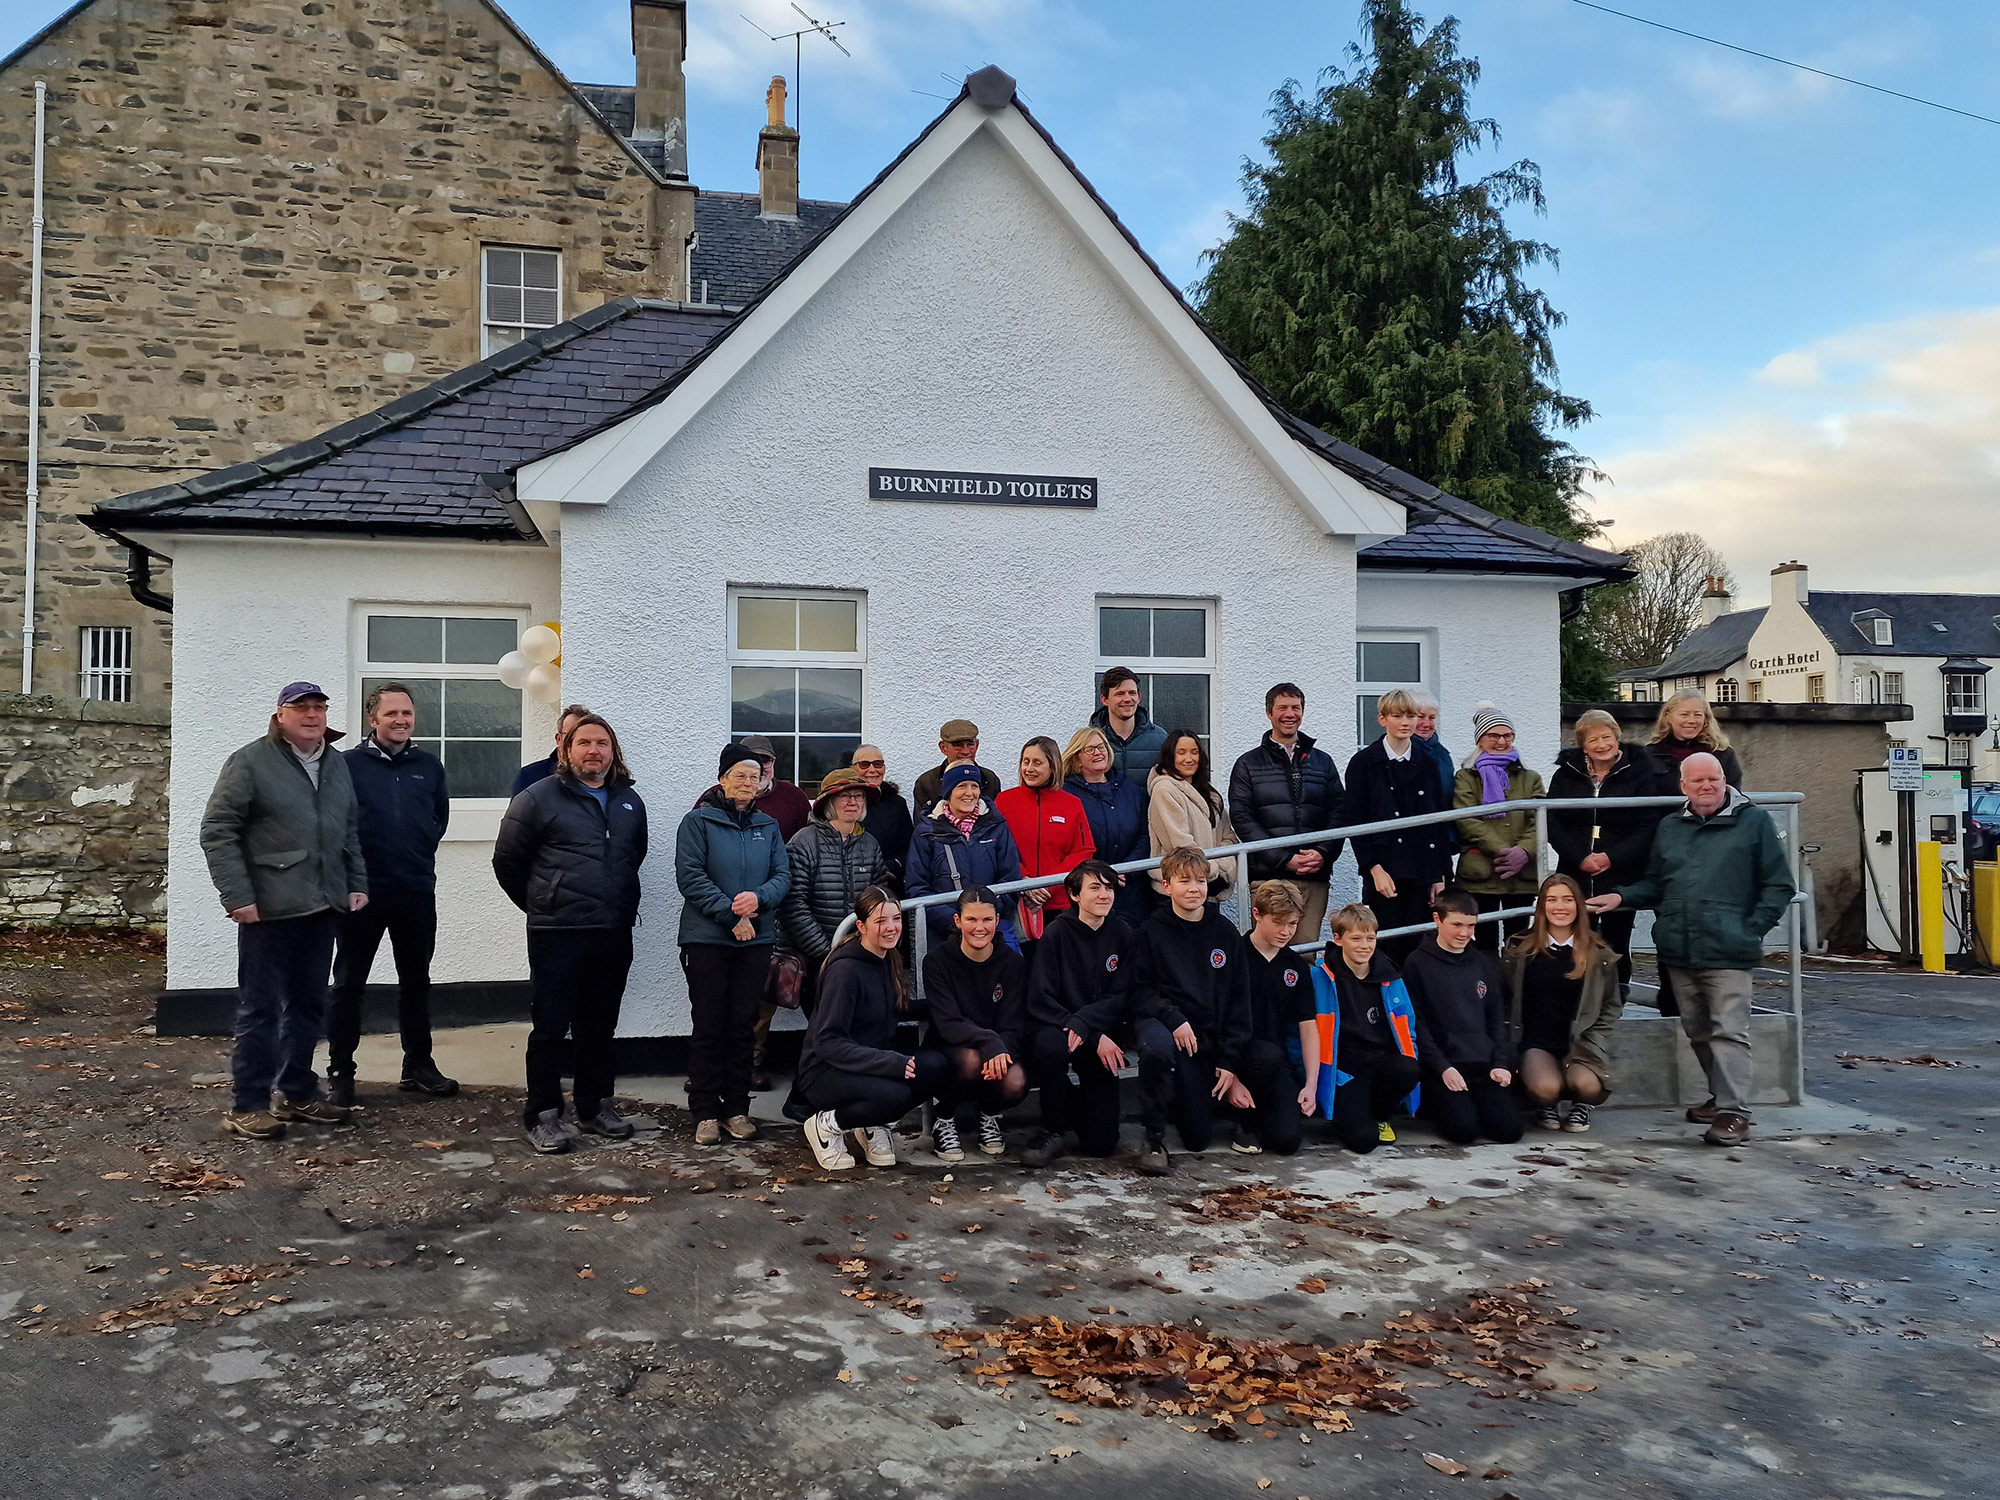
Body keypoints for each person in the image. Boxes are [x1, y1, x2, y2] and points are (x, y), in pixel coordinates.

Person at [1588, 752, 1794, 1148]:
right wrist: (1620, 896)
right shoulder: (1670, 827)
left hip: (1729, 950)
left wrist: (1749, 930)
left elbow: (1778, 885)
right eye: (1697, 780)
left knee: (1729, 1031)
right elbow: (1656, 883)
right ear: (1683, 786)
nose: (1707, 786)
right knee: (1698, 1030)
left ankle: (1735, 1113)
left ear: (1725, 780)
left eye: (1714, 778)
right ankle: (1720, 1098)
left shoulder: (1754, 823)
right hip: (1680, 947)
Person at [199, 681, 368, 1140]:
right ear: (280, 716)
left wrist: (356, 884)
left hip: (323, 905)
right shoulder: (251, 761)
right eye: (300, 708)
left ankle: (297, 1093)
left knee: (310, 1005)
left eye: (318, 707)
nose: (312, 715)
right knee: (261, 1009)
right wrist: (237, 896)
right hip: (269, 907)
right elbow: (218, 829)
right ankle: (248, 1103)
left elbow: (348, 828)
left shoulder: (334, 763)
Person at [494, 714, 648, 1154]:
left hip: (612, 930)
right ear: (567, 749)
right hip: (557, 932)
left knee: (599, 1025)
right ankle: (543, 1114)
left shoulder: (629, 801)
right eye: (584, 742)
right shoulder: (537, 798)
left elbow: (632, 856)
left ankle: (595, 1105)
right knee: (549, 1027)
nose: (593, 750)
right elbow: (507, 862)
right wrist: (544, 902)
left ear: (613, 751)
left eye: (602, 742)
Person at [326, 681, 457, 1108]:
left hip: (416, 889)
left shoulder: (429, 765)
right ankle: (341, 1072)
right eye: (391, 714)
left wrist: (415, 851)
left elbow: (438, 820)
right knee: (348, 983)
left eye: (407, 713)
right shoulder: (346, 765)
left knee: (416, 981)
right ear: (372, 719)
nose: (401, 720)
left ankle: (418, 1065)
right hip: (362, 892)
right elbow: (337, 826)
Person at [673, 743, 791, 1146]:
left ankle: (738, 1109)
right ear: (722, 779)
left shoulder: (768, 825)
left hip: (755, 940)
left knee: (743, 1026)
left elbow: (782, 875)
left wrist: (758, 901)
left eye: (753, 776)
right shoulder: (698, 822)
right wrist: (732, 914)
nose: (747, 782)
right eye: (739, 774)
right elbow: (690, 877)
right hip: (707, 939)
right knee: (709, 1024)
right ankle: (705, 1112)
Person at [1126, 846, 1265, 1176]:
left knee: (1197, 1139)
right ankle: (1154, 1137)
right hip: (1168, 1027)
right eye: (1184, 881)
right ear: (1166, 885)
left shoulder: (1225, 933)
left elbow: (1238, 1001)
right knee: (1155, 1050)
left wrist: (1230, 1063)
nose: (1194, 889)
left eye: (1201, 881)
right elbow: (1140, 991)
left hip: (1208, 1038)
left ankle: (1214, 1104)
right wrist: (1174, 1019)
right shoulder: (1150, 932)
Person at [795, 887, 949, 1171]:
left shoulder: (886, 958)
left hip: (867, 1061)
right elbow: (828, 1042)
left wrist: (946, 1007)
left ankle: (871, 1125)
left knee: (937, 1066)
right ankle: (825, 1126)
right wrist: (891, 1062)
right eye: (880, 922)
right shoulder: (844, 972)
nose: (891, 928)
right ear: (862, 926)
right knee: (895, 1095)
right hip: (825, 1072)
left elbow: (889, 1008)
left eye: (896, 918)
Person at [764, 766, 888, 1085]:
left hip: (857, 956)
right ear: (826, 803)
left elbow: (878, 898)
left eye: (858, 795)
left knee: (850, 1029)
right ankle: (806, 1096)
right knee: (824, 1029)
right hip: (815, 959)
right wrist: (825, 952)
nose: (852, 802)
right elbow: (793, 904)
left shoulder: (870, 844)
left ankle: (842, 1093)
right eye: (844, 795)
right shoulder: (804, 842)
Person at [1019, 859, 1130, 1168]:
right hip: (1060, 1026)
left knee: (1103, 1144)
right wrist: (1083, 1028)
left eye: (1108, 888)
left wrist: (1091, 1028)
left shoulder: (1122, 934)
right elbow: (1040, 998)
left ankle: (1079, 1111)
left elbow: (1123, 996)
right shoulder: (1056, 934)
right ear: (1075, 894)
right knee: (1049, 1048)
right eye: (1095, 888)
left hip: (1101, 1031)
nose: (1104, 895)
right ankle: (1051, 1129)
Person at [1546, 709, 1664, 1001]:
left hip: (1621, 871)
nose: (1602, 744)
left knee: (1616, 939)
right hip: (1575, 871)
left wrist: (1611, 857)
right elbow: (1553, 822)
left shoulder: (1640, 771)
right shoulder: (1566, 774)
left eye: (1607, 737)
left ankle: (1615, 996)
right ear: (1583, 745)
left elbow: (1648, 824)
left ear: (1617, 737)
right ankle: (1573, 997)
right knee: (1573, 938)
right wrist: (1579, 857)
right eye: (1593, 739)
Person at [1399, 888, 1525, 1146]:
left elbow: (1496, 1016)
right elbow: (1417, 1023)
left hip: (1483, 1065)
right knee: (1463, 1131)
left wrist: (1501, 1062)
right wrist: (1443, 1068)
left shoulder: (1484, 963)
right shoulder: (1417, 963)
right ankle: (1433, 1105)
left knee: (1509, 1131)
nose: (1464, 933)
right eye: (1456, 924)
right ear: (1437, 920)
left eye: (1470, 925)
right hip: (1443, 1067)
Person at [1342, 689, 1453, 964]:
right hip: (1386, 869)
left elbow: (1437, 819)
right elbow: (1355, 820)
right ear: (1382, 719)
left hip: (1423, 870)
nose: (1406, 722)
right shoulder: (1364, 763)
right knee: (1387, 948)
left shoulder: (1428, 763)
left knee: (1422, 949)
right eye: (1398, 715)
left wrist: (1440, 874)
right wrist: (1373, 868)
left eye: (1411, 716)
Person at [1228, 682, 1343, 946]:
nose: (1289, 714)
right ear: (1269, 713)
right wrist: (1283, 859)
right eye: (1282, 708)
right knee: (1268, 952)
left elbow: (1339, 811)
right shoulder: (1248, 763)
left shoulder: (1323, 761)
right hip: (1269, 877)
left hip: (1314, 878)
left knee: (1305, 953)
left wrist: (1323, 853)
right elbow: (1242, 818)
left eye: (1296, 707)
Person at [922, 887, 1031, 1161]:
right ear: (958, 921)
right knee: (971, 1060)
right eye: (971, 920)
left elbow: (1014, 1023)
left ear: (997, 921)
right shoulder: (937, 962)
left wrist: (997, 1048)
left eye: (986, 920)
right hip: (951, 1046)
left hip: (999, 1044)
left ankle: (989, 1113)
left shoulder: (1013, 964)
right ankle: (944, 1117)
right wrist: (989, 1043)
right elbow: (949, 1023)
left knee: (1016, 1080)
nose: (979, 928)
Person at [1504, 874, 1618, 1134]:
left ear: (1578, 905)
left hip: (1580, 1040)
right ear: (1541, 905)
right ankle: (1547, 1104)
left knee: (1587, 1085)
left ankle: (1582, 1105)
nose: (1560, 907)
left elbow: (1611, 1004)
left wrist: (1596, 1038)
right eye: (1552, 899)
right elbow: (1504, 995)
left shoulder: (1599, 952)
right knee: (1546, 1089)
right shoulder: (1519, 948)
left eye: (1568, 899)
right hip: (1537, 1039)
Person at [1310, 904, 1422, 1154]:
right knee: (1363, 1142)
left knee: (1408, 1067)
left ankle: (1381, 1115)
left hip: (1381, 1066)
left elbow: (1408, 1026)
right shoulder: (1320, 978)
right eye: (1356, 938)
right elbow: (1304, 1031)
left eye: (1370, 938)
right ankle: (1350, 1116)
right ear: (1338, 939)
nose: (1364, 945)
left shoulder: (1391, 977)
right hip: (1345, 1072)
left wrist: (1409, 1052)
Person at [1452, 702, 1545, 953]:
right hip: (1481, 873)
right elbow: (1467, 819)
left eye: (1507, 735)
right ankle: (1489, 989)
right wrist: (1505, 851)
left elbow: (1540, 820)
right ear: (1479, 740)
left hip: (1522, 875)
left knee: (1520, 942)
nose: (1501, 741)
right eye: (1493, 735)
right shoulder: (1466, 776)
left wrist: (1523, 852)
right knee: (1485, 942)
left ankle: (1514, 989)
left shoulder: (1530, 777)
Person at [994, 736, 1094, 957]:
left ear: (1053, 765)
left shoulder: (1071, 804)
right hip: (1016, 903)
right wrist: (1024, 880)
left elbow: (1083, 850)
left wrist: (1049, 885)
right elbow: (998, 849)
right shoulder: (1003, 801)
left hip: (1060, 903)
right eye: (1025, 761)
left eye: (1037, 763)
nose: (1029, 768)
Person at [907, 764, 1024, 946]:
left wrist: (985, 917)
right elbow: (917, 888)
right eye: (961, 786)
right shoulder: (926, 832)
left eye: (974, 786)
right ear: (948, 792)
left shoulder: (997, 826)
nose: (969, 793)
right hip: (944, 936)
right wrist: (955, 922)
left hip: (993, 931)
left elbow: (1011, 880)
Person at [1239, 881, 1316, 1158]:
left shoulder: (1296, 966)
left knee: (1287, 1142)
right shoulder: (1235, 955)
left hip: (1276, 1061)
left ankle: (1259, 1115)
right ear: (1257, 914)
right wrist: (1231, 1076)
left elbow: (1309, 1028)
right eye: (1279, 923)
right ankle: (1242, 1120)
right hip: (1235, 1057)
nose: (1286, 932)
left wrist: (1311, 1084)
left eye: (1293, 924)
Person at [1061, 725, 1149, 928]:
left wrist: (1128, 868)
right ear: (1076, 757)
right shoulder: (1066, 794)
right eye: (1089, 749)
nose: (1098, 752)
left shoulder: (1130, 790)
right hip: (1087, 891)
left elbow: (1145, 834)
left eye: (1101, 746)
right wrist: (1101, 876)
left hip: (1131, 890)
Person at [1147, 730, 1235, 905]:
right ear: (1169, 756)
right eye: (1181, 752)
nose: (1189, 758)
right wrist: (1210, 873)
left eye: (1194, 752)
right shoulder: (1164, 790)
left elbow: (1228, 837)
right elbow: (1179, 842)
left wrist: (1223, 870)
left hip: (1209, 886)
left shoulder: (1210, 794)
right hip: (1176, 890)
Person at [1089, 666, 1169, 789]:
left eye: (1132, 693)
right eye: (1119, 694)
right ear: (1104, 699)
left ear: (1139, 697)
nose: (1127, 699)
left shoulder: (1160, 739)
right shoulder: (1089, 741)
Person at [1648, 690, 1743, 789]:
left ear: (1706, 719)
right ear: (1668, 717)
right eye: (1684, 715)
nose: (1691, 721)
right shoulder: (1649, 756)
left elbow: (1732, 795)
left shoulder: (1722, 754)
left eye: (1698, 715)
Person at [853, 745, 914, 890]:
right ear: (853, 769)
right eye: (864, 765)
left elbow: (909, 846)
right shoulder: (846, 804)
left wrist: (891, 867)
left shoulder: (897, 803)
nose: (872, 770)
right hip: (853, 884)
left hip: (890, 884)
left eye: (878, 764)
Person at [911, 719, 1004, 811]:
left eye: (970, 744)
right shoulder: (927, 782)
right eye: (958, 745)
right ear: (943, 747)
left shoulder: (990, 779)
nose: (965, 751)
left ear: (977, 745)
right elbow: (922, 823)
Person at [735, 734, 812, 842]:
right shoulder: (716, 797)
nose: (759, 768)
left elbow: (808, 843)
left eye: (765, 761)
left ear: (773, 762)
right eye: (751, 762)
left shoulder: (795, 797)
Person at [511, 703, 593, 797]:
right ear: (559, 739)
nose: (576, 740)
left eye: (583, 738)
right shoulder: (531, 776)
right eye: (571, 734)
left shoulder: (602, 776)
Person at [1411, 692, 1457, 819]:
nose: (1426, 724)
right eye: (1420, 717)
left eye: (1431, 718)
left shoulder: (1442, 752)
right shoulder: (1402, 752)